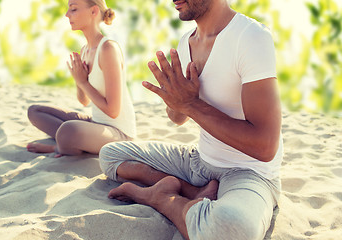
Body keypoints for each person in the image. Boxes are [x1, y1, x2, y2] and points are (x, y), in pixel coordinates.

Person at [99, 0, 283, 239]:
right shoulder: (186, 42)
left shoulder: (250, 37)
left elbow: (265, 146)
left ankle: (162, 198)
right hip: (199, 162)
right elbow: (177, 118)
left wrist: (191, 104)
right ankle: (192, 191)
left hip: (248, 172)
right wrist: (177, 101)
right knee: (111, 156)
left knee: (234, 229)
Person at [27, 0, 136, 157]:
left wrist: (83, 82)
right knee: (35, 111)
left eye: (73, 9)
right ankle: (70, 141)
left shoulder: (108, 49)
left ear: (93, 12)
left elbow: (113, 110)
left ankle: (57, 147)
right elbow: (84, 101)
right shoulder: (85, 50)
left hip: (119, 133)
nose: (66, 14)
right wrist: (79, 82)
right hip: (96, 124)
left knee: (68, 130)